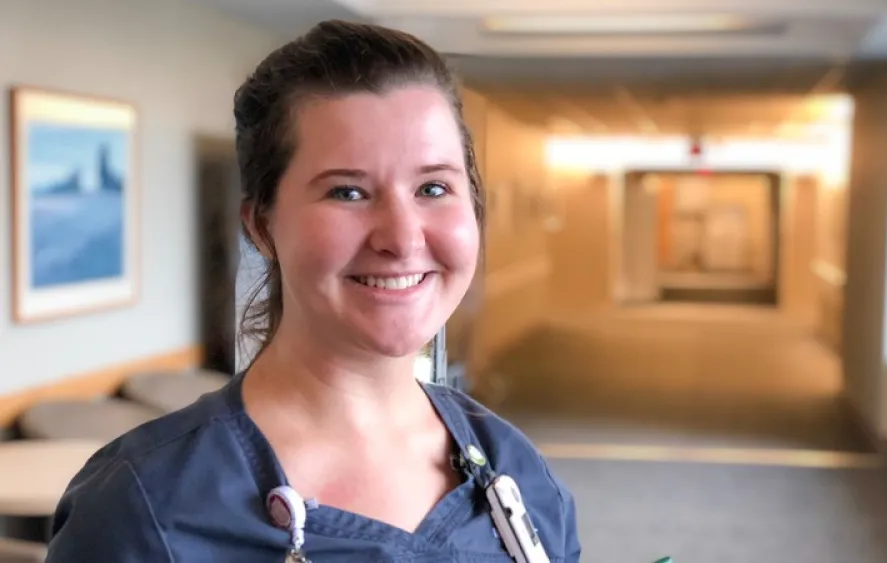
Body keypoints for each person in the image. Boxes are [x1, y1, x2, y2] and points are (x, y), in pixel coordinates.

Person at [45, 19, 581, 563]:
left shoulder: (518, 476)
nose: (402, 238)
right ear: (261, 226)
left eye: (433, 187)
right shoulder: (146, 510)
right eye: (347, 192)